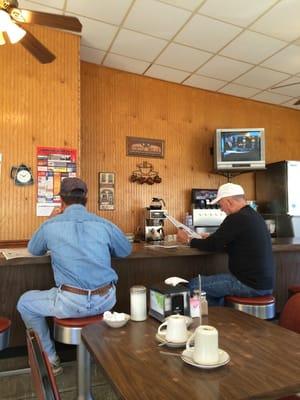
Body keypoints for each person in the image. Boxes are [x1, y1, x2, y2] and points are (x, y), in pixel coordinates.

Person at [17, 177, 131, 375]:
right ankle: (101, 356)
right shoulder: (104, 224)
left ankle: (50, 360)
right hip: (106, 301)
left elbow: (34, 249)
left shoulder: (51, 225)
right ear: (85, 198)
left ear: (61, 199)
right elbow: (125, 250)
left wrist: (48, 221)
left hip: (70, 303)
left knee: (25, 303)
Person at [177, 183, 274, 306]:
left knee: (194, 286)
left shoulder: (236, 218)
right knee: (210, 290)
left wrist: (188, 240)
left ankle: (219, 318)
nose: (221, 209)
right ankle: (223, 315)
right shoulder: (253, 215)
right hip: (262, 284)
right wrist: (212, 238)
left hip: (248, 285)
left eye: (221, 204)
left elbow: (213, 245)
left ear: (229, 202)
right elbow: (231, 240)